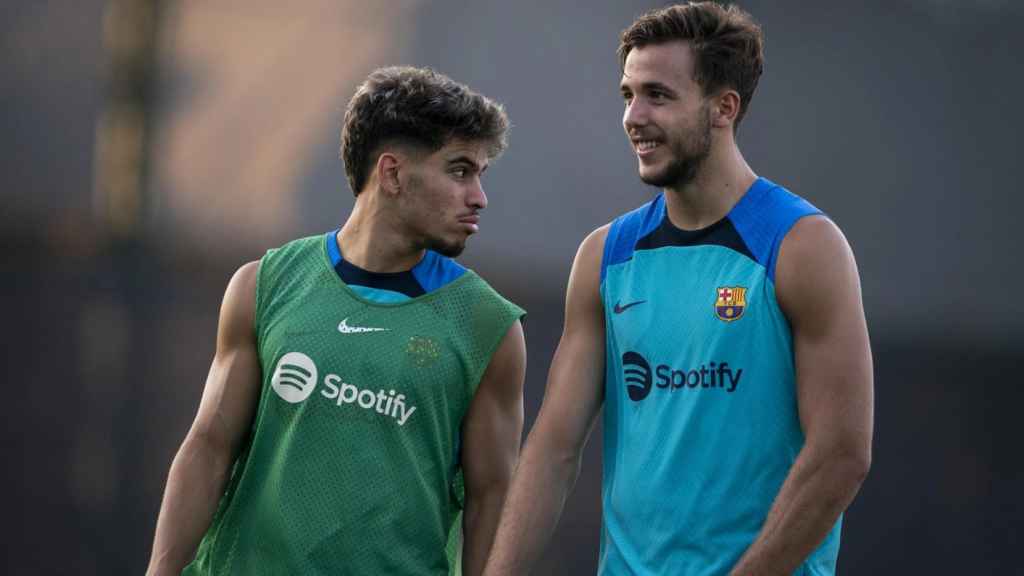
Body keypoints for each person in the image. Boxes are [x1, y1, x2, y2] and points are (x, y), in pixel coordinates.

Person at [484, 3, 873, 575]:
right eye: (627, 94)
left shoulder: (802, 246)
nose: (633, 117)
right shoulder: (605, 256)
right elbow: (553, 448)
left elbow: (841, 455)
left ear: (724, 108)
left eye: (658, 96)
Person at [147, 66, 527, 576]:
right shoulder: (263, 286)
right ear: (392, 173)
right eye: (460, 170)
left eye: (480, 174)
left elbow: (493, 502)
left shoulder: (488, 327)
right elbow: (209, 447)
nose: (479, 196)